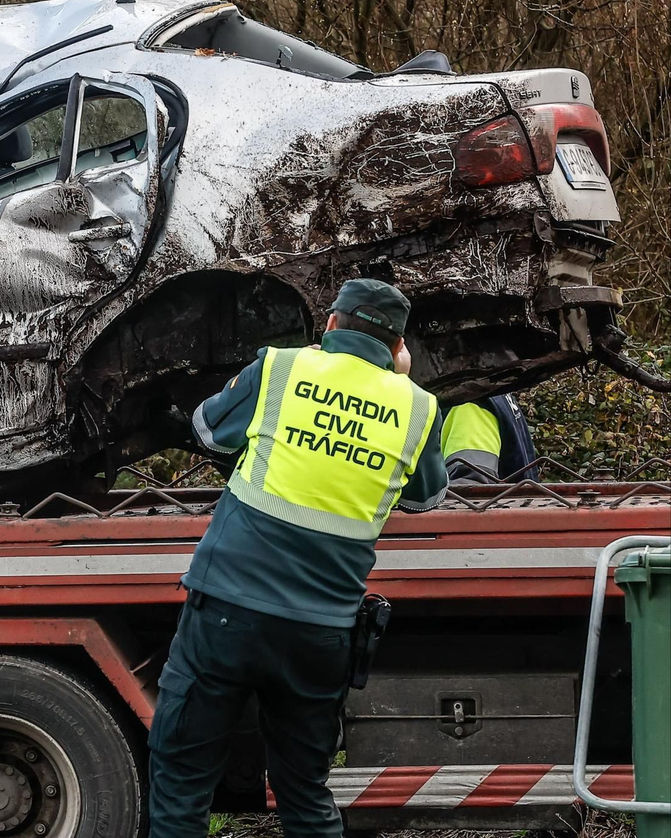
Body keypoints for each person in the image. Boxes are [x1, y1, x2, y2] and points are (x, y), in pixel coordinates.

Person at [150, 278, 448, 838]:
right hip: (321, 631)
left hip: (226, 613)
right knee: (305, 795)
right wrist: (396, 386)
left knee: (183, 780)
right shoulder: (419, 409)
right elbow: (425, 497)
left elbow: (208, 430)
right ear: (398, 347)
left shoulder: (281, 368)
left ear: (330, 323)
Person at [442, 395, 537, 482]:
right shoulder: (497, 396)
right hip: (516, 499)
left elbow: (472, 491)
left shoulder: (469, 404)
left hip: (501, 500)